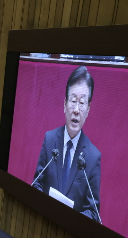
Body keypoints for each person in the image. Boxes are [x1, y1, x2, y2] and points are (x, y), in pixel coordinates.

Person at [32, 66, 101, 222]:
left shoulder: (92, 156)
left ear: (88, 109)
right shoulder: (50, 139)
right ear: (64, 104)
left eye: (82, 103)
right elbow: (36, 184)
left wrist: (70, 219)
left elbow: (93, 212)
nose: (76, 110)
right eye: (73, 101)